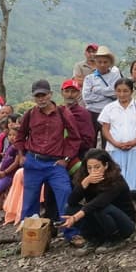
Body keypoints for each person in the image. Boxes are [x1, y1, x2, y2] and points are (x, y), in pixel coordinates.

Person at [13, 79, 82, 231]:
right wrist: (21, 155)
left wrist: (66, 159)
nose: (41, 99)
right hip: (33, 161)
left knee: (65, 193)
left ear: (50, 94)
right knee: (30, 201)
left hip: (54, 164)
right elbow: (20, 136)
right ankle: (31, 236)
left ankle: (71, 233)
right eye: (38, 96)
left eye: (44, 95)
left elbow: (75, 138)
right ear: (34, 97)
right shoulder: (30, 114)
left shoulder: (63, 113)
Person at [60, 148, 136, 254]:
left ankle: (115, 239)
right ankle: (93, 239)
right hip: (99, 218)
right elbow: (72, 201)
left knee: (100, 208)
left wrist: (75, 217)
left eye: (97, 167)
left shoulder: (116, 181)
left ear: (105, 165)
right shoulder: (87, 178)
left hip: (123, 223)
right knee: (70, 209)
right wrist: (84, 184)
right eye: (89, 168)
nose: (93, 171)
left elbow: (99, 202)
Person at [99, 78, 136, 200]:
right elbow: (105, 128)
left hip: (135, 147)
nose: (122, 94)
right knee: (116, 175)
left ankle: (133, 200)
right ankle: (116, 199)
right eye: (119, 91)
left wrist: (135, 141)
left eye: (125, 91)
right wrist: (115, 143)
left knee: (133, 175)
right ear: (115, 92)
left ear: (131, 91)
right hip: (115, 147)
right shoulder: (109, 108)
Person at [82, 46, 122, 140]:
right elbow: (87, 98)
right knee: (91, 140)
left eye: (105, 62)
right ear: (95, 62)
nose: (102, 64)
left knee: (108, 141)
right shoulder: (89, 78)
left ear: (110, 63)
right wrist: (107, 95)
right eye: (99, 62)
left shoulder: (115, 76)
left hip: (110, 113)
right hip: (92, 113)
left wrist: (97, 90)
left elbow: (116, 93)